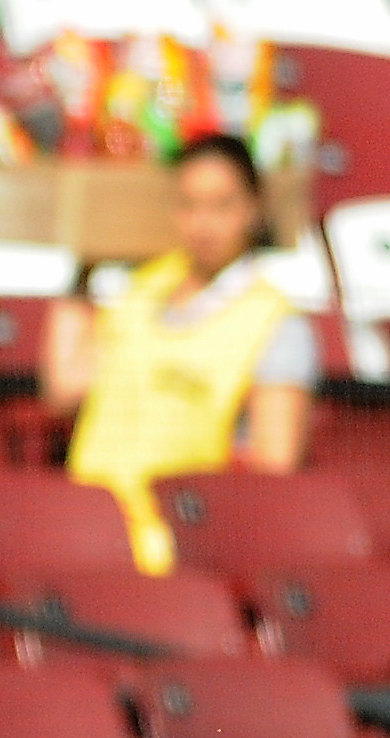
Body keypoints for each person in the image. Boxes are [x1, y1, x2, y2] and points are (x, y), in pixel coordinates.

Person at [45, 133, 317, 575]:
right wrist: (81, 268)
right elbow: (65, 388)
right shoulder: (141, 291)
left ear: (253, 209)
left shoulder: (277, 323)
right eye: (189, 205)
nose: (203, 224)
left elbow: (273, 469)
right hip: (85, 531)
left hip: (178, 552)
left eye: (221, 205)